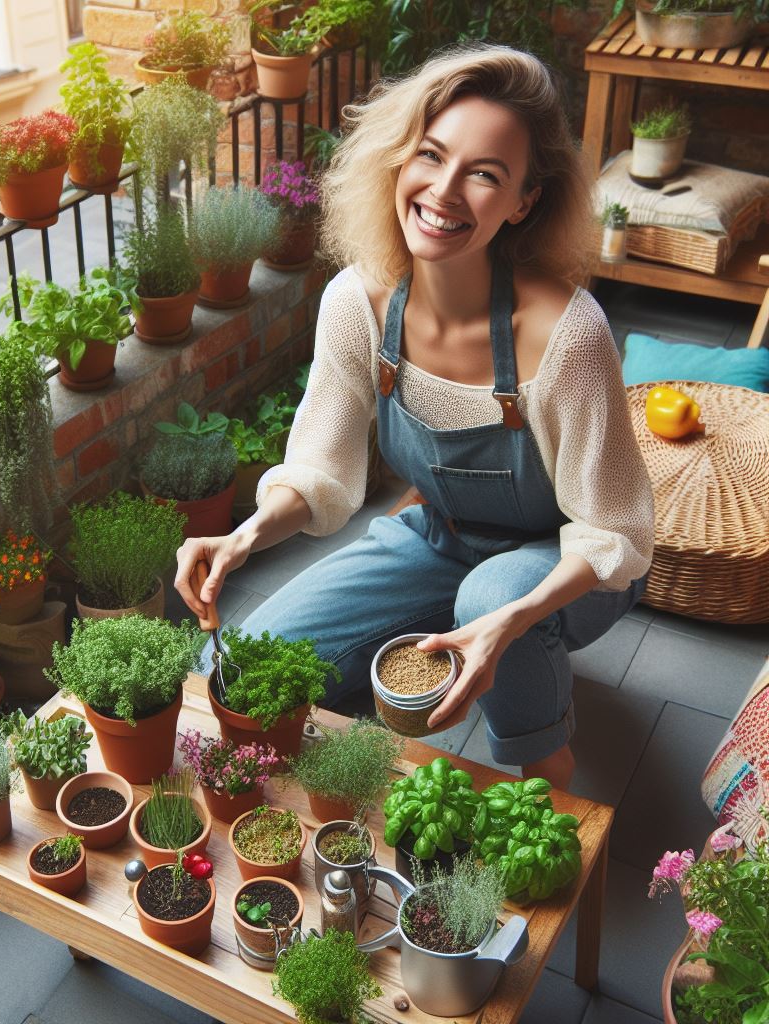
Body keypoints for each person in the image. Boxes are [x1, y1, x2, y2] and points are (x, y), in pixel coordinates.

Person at [174, 44, 654, 791]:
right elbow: (322, 473)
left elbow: (616, 532)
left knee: (491, 601)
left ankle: (554, 780)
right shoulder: (359, 304)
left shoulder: (567, 333)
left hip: (568, 562)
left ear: (525, 201)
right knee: (237, 671)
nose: (445, 189)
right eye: (430, 156)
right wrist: (244, 536)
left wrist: (513, 616)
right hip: (438, 538)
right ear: (398, 162)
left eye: (486, 174)